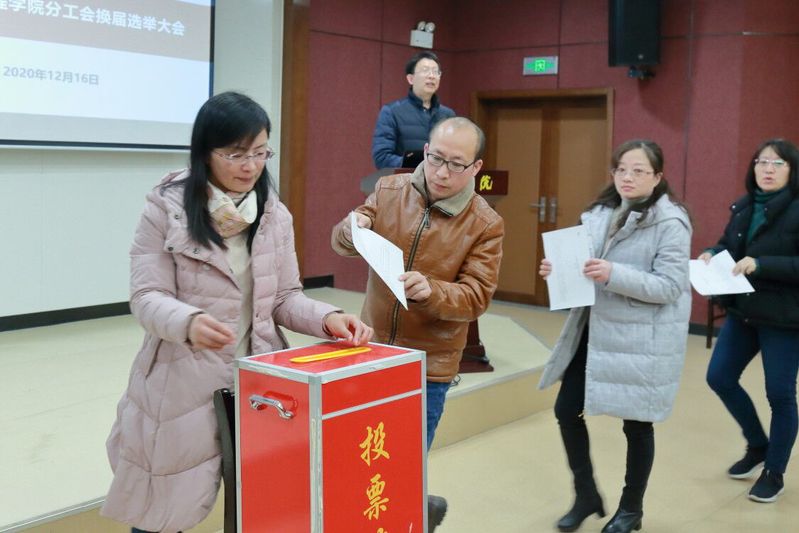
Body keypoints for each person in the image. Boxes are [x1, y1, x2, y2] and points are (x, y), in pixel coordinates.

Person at [101, 92, 373, 533]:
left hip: (259, 380)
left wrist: (328, 318)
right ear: (205, 153)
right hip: (181, 378)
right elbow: (147, 295)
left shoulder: (274, 215)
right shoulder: (166, 208)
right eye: (235, 154)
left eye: (260, 152)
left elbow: (284, 297)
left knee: (264, 503)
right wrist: (187, 322)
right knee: (163, 507)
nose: (250, 166)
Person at [333, 117, 504, 532]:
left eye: (456, 164)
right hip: (372, 351)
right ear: (425, 151)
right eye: (436, 158)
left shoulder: (485, 223)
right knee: (362, 461)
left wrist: (432, 291)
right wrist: (352, 230)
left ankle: (416, 511)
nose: (442, 172)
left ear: (476, 168)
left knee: (402, 466)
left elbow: (476, 297)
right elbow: (341, 241)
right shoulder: (389, 190)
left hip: (427, 366)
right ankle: (418, 508)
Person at [538, 140, 692, 533]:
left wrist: (613, 274)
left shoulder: (670, 222)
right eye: (621, 169)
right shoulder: (599, 213)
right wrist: (558, 269)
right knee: (566, 410)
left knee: (637, 425)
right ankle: (586, 494)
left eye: (639, 171)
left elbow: (670, 286)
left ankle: (631, 509)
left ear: (657, 177)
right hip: (594, 329)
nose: (628, 177)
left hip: (642, 340)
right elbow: (584, 265)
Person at [700, 138, 799, 504]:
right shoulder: (744, 205)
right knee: (719, 377)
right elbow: (729, 245)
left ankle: (775, 472)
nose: (767, 169)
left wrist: (762, 264)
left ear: (792, 170)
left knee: (780, 394)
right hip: (744, 311)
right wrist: (711, 253)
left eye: (777, 163)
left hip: (785, 317)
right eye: (761, 162)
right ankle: (758, 445)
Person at [371, 50, 455, 169]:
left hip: (441, 178)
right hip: (407, 178)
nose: (432, 76)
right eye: (425, 70)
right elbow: (382, 158)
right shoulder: (392, 112)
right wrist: (420, 162)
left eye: (436, 72)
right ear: (411, 79)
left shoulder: (448, 115)